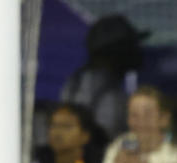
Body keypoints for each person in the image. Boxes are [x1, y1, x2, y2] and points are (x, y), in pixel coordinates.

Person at [61, 14, 149, 143]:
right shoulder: (107, 94)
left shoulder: (75, 83)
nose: (138, 49)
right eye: (131, 44)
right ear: (115, 50)